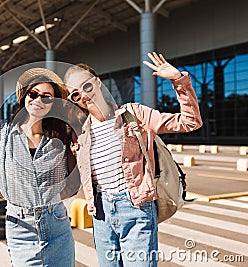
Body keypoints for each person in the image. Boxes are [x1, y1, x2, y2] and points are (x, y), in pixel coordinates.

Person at [63, 52, 203, 267]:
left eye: (87, 87)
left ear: (98, 83)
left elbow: (190, 122)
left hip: (135, 207)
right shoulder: (80, 133)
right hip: (100, 214)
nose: (83, 95)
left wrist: (178, 81)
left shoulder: (133, 114)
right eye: (75, 94)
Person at [0, 33, 78, 266]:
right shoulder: (1, 132)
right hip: (21, 228)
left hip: (57, 224)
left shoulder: (60, 137)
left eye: (47, 97)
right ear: (24, 98)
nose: (39, 100)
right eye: (33, 94)